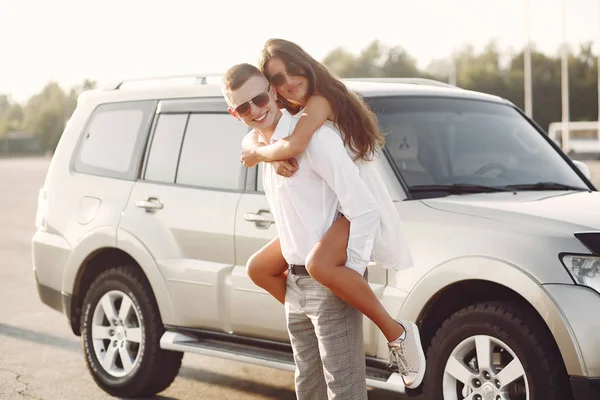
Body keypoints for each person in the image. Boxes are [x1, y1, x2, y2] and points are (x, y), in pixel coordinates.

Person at [239, 38, 425, 388]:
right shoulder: (293, 116)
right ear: (273, 90)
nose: (288, 80)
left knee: (321, 266)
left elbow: (293, 146)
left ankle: (397, 333)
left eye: (292, 70)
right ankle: (314, 308)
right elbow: (253, 139)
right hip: (334, 212)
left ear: (306, 65)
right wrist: (263, 150)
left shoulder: (318, 105)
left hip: (354, 208)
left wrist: (268, 155)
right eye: (277, 79)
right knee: (259, 268)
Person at [222, 62, 378, 399]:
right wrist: (268, 155)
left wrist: (350, 275)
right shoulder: (259, 147)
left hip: (328, 283)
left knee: (345, 391)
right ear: (235, 114)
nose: (256, 110)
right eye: (244, 107)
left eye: (260, 99)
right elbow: (253, 145)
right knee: (308, 389)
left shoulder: (315, 138)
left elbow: (363, 208)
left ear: (274, 93)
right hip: (294, 284)